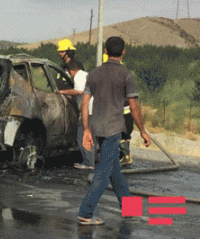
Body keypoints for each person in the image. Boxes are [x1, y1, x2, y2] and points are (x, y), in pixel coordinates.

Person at [77, 36, 151, 226]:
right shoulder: (126, 75)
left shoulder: (93, 74)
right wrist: (143, 130)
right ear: (123, 52)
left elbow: (84, 104)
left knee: (115, 171)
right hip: (113, 130)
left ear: (106, 52)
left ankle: (130, 211)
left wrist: (86, 129)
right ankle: (85, 212)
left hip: (97, 128)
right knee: (103, 173)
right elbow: (134, 106)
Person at [59, 60, 95, 169]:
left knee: (82, 136)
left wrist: (62, 92)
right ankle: (91, 161)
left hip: (88, 111)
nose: (70, 75)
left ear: (71, 71)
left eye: (69, 73)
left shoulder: (78, 77)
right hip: (94, 110)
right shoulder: (86, 74)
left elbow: (79, 91)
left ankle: (88, 163)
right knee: (91, 137)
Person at [103, 53, 134, 166]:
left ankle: (125, 157)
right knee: (123, 135)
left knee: (121, 134)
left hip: (121, 112)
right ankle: (124, 156)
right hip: (125, 112)